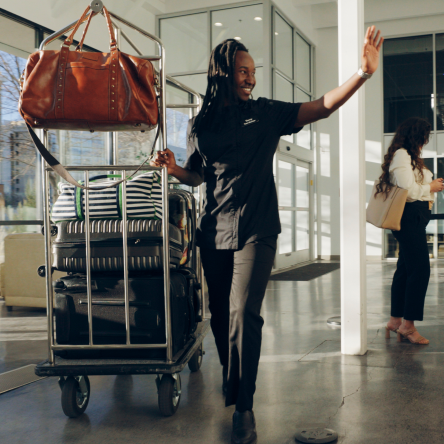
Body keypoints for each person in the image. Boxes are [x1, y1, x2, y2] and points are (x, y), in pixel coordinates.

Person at [152, 26, 383, 444]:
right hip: (214, 233)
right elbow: (200, 175)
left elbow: (322, 107)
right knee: (221, 317)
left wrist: (361, 74)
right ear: (222, 72)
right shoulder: (200, 123)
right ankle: (234, 381)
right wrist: (175, 170)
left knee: (244, 313)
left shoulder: (265, 112)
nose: (250, 78)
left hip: (258, 230)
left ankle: (244, 407)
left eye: (253, 71)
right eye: (243, 71)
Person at [381, 118, 444, 346]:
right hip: (408, 218)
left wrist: (430, 185)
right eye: (424, 136)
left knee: (405, 270)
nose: (425, 141)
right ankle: (408, 326)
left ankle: (395, 321)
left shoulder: (409, 157)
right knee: (420, 270)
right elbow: (406, 191)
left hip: (415, 218)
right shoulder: (402, 155)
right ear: (416, 135)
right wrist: (431, 187)